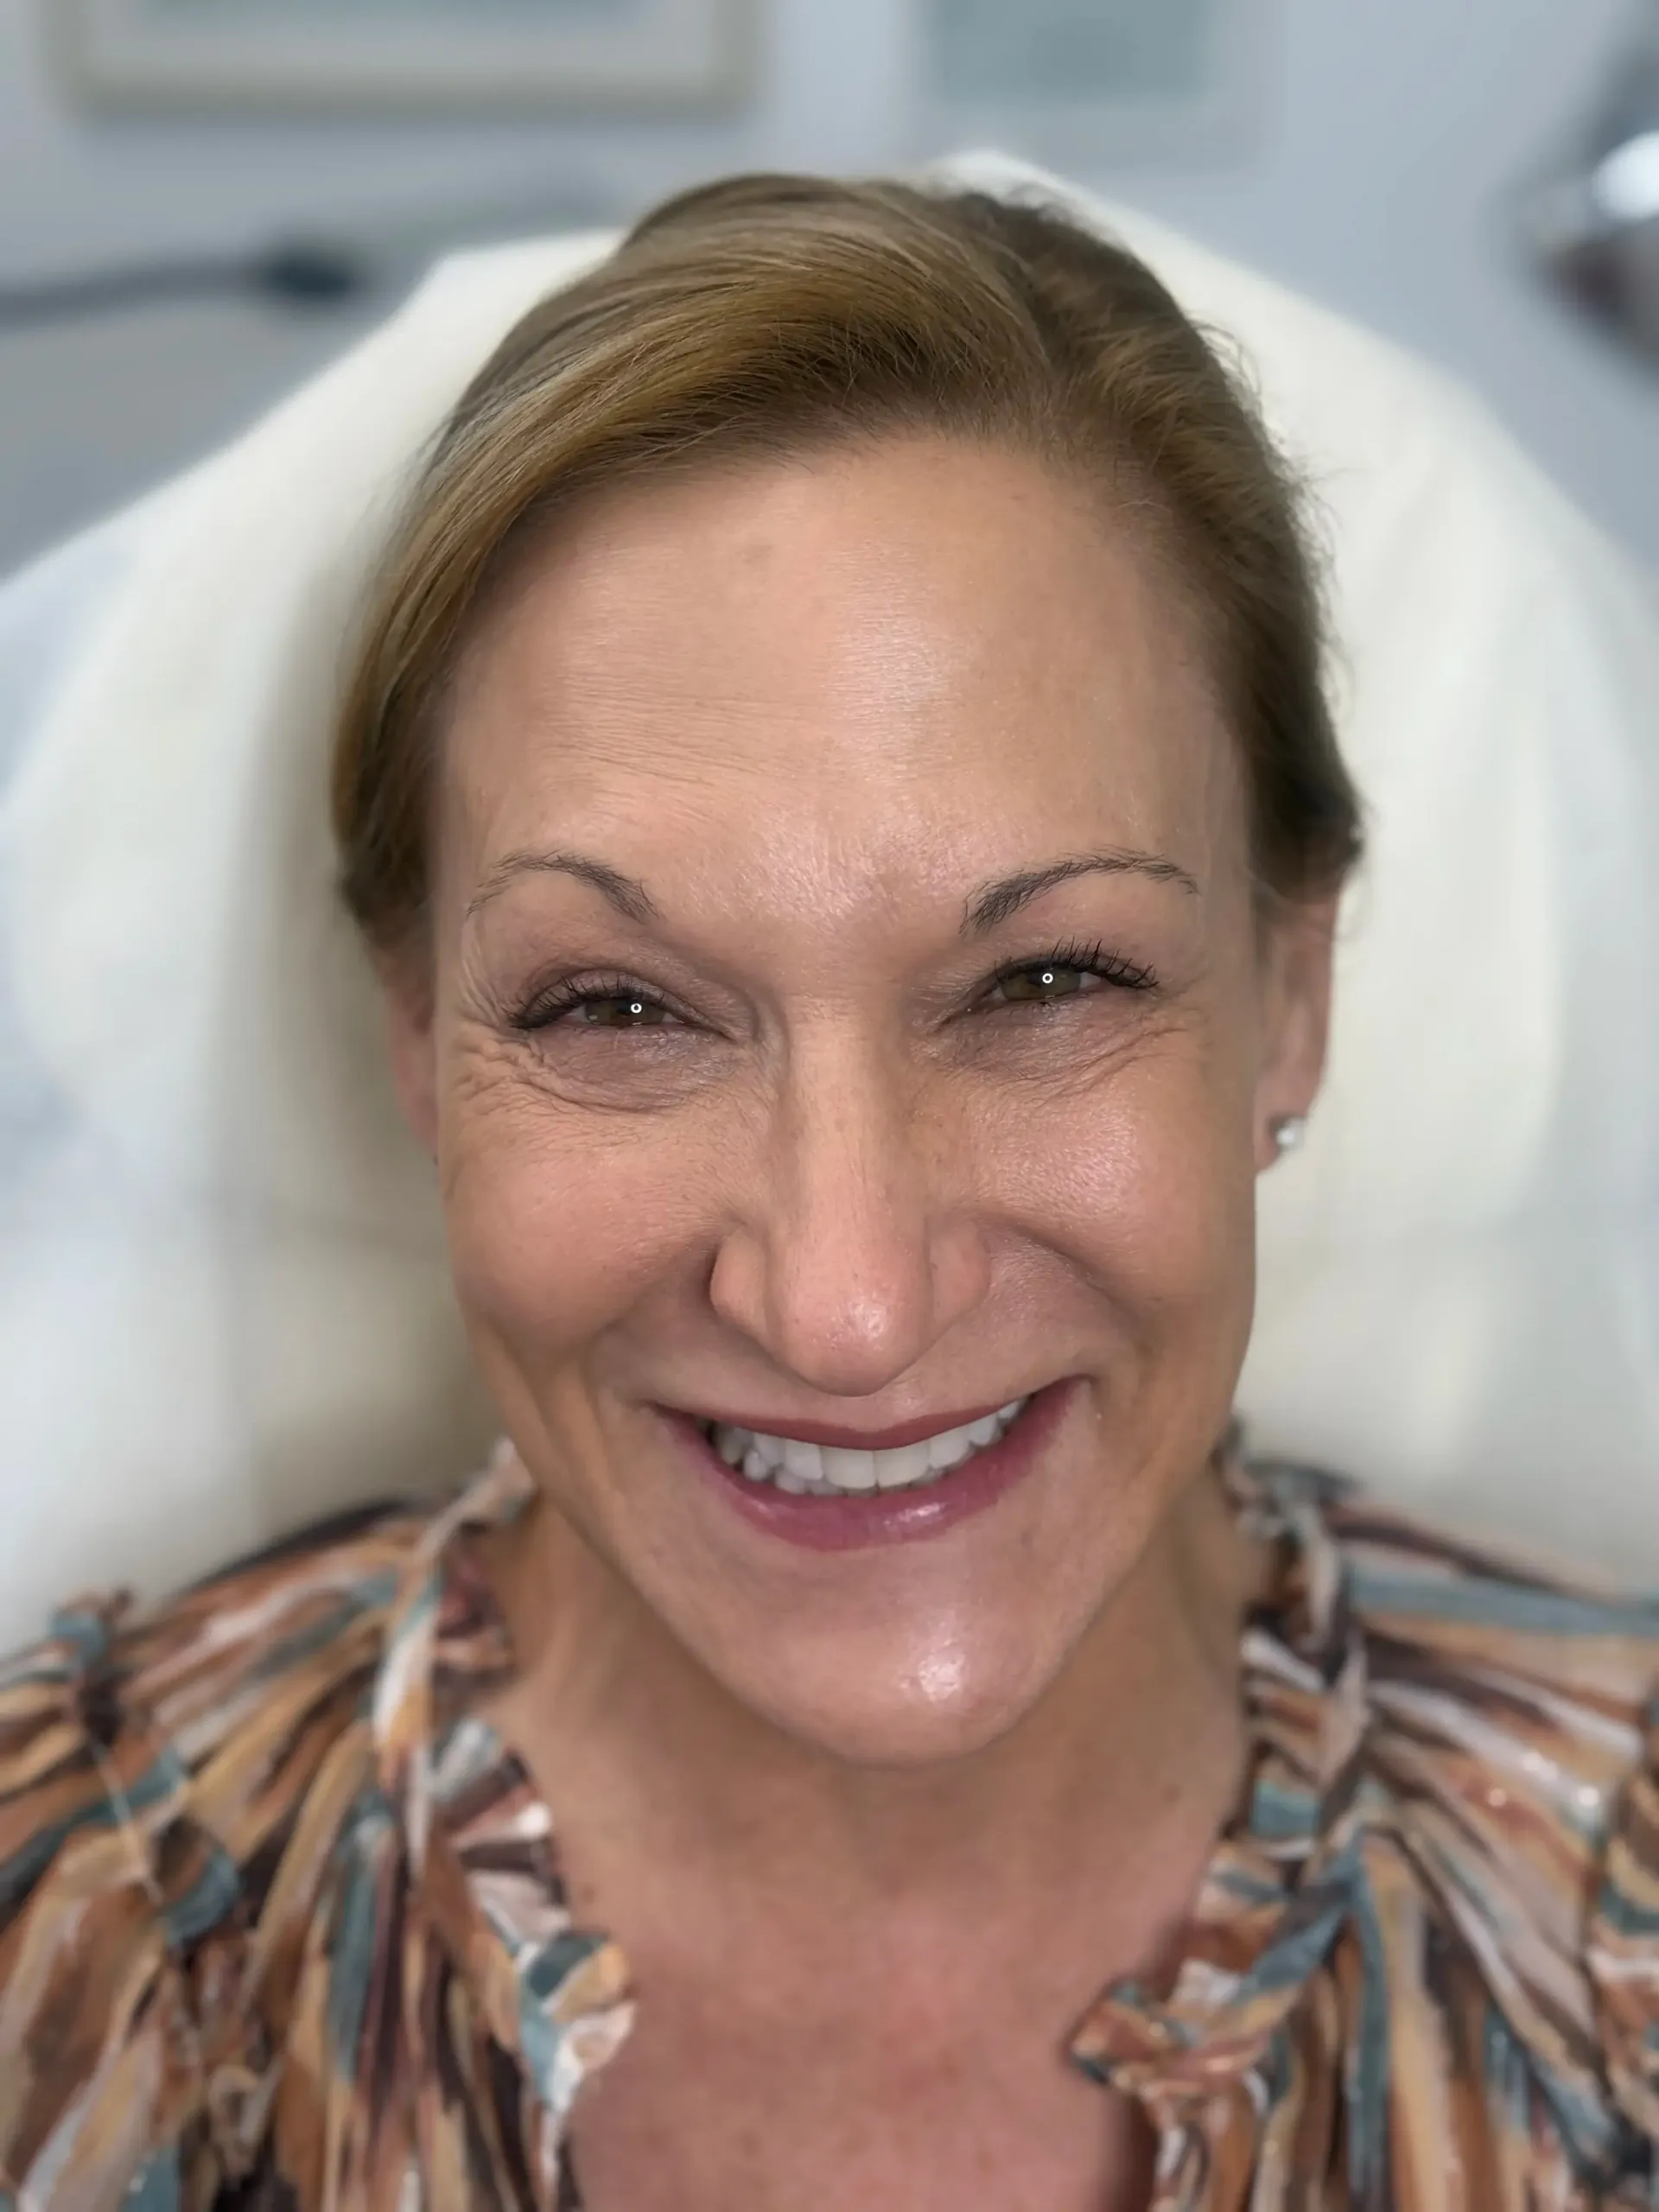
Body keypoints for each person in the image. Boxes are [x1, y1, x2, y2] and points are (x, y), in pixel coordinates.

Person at [3, 170, 1658, 2212]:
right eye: (618, 1006)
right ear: (419, 1037)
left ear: (1290, 997)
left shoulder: (1622, 1921)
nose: (847, 1304)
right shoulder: (71, 1925)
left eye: (1048, 980)